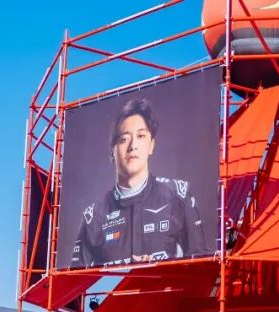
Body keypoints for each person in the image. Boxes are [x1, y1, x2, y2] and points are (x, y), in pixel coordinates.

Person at [71, 98, 207, 268]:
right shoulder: (93, 216)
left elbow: (201, 267)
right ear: (112, 151)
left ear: (151, 145)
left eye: (141, 136)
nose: (133, 146)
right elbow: (74, 279)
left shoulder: (178, 196)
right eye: (124, 139)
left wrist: (158, 270)